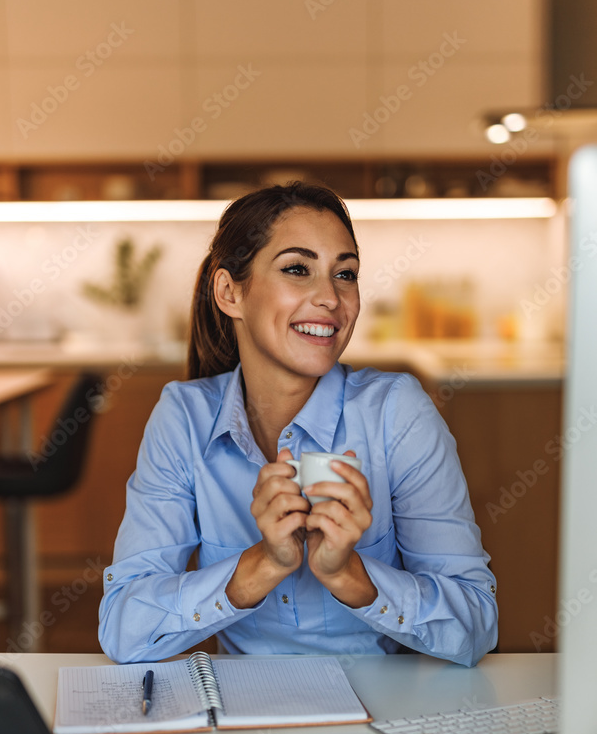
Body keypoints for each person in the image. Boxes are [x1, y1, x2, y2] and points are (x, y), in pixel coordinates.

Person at [98, 182, 498, 665]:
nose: (330, 297)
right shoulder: (185, 418)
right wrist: (262, 565)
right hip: (244, 716)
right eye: (297, 269)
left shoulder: (397, 413)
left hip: (386, 709)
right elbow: (123, 627)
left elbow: (477, 624)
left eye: (345, 274)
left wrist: (351, 575)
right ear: (229, 292)